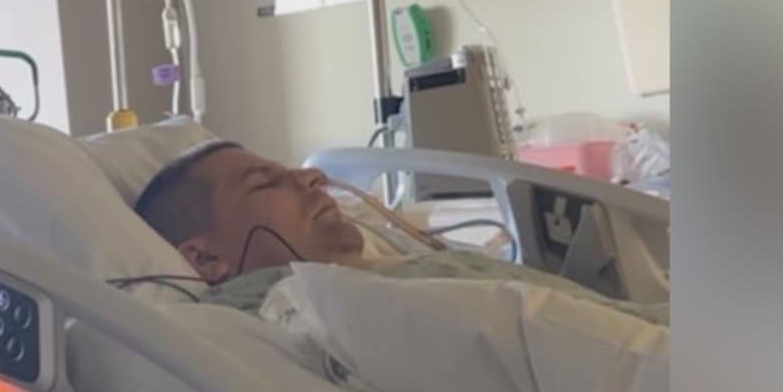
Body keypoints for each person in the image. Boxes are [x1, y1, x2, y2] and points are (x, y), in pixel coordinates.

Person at [134, 140, 669, 324]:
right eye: (265, 182)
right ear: (205, 259)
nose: (312, 178)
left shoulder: (386, 280)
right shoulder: (330, 313)